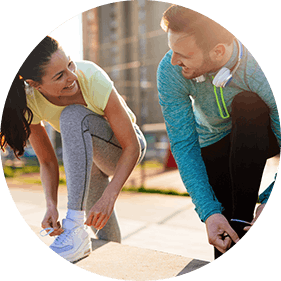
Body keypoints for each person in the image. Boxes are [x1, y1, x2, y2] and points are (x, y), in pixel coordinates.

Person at [0, 36, 146, 262]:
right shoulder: (32, 102)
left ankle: (74, 224)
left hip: (125, 148)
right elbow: (47, 161)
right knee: (105, 237)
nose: (72, 76)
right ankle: (106, 259)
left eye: (69, 64)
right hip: (91, 164)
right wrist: (51, 205)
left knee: (72, 115)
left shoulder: (92, 77)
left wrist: (110, 196)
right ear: (36, 85)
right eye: (60, 76)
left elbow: (132, 146)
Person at [157, 5, 280, 259]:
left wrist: (271, 198)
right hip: (213, 142)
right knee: (226, 236)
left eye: (181, 53)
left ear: (218, 51)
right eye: (171, 49)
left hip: (261, 132)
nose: (172, 60)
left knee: (248, 104)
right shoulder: (170, 71)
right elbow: (184, 145)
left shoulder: (261, 69)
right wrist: (209, 212)